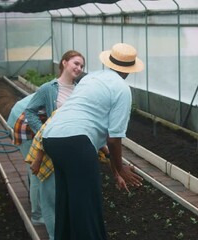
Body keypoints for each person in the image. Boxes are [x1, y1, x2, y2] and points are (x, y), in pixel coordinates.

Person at [41, 43, 144, 240]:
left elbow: (99, 133)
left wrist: (115, 170)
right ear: (129, 70)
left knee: (67, 203)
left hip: (52, 137)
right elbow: (114, 138)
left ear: (110, 62)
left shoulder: (90, 78)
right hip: (76, 143)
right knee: (87, 207)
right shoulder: (122, 89)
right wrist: (121, 168)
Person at [24, 50, 85, 240]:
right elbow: (30, 111)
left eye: (82, 66)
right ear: (64, 63)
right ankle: (54, 236)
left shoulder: (81, 89)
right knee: (50, 197)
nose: (79, 68)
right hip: (51, 148)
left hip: (73, 149)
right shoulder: (48, 88)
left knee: (69, 195)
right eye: (76, 63)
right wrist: (45, 131)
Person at [7, 93, 46, 226]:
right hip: (22, 121)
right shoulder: (65, 95)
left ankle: (34, 199)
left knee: (34, 167)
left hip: (23, 115)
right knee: (36, 171)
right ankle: (37, 216)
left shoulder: (68, 88)